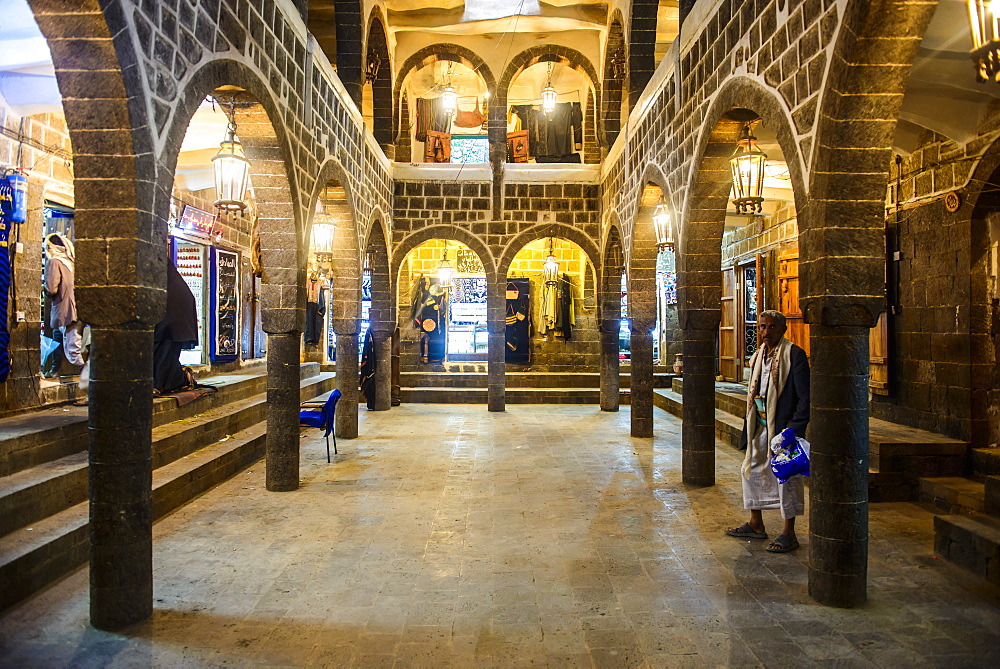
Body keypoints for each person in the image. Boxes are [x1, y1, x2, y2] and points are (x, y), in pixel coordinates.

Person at [726, 310, 810, 553]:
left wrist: (794, 429)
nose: (765, 332)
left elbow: (805, 397)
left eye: (772, 327)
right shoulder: (758, 356)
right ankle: (756, 523)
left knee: (786, 477)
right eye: (762, 327)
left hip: (783, 427)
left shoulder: (794, 355)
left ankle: (788, 532)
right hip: (759, 423)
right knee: (750, 469)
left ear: (783, 329)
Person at [153, 260, 199, 394]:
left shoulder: (170, 287)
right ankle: (165, 383)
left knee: (163, 361)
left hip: (171, 327)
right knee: (164, 359)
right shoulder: (173, 283)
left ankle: (166, 383)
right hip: (171, 327)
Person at [44, 233, 84, 368]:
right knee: (69, 341)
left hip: (64, 309)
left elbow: (51, 289)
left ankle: (87, 376)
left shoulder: (54, 262)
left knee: (72, 349)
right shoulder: (72, 262)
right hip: (76, 308)